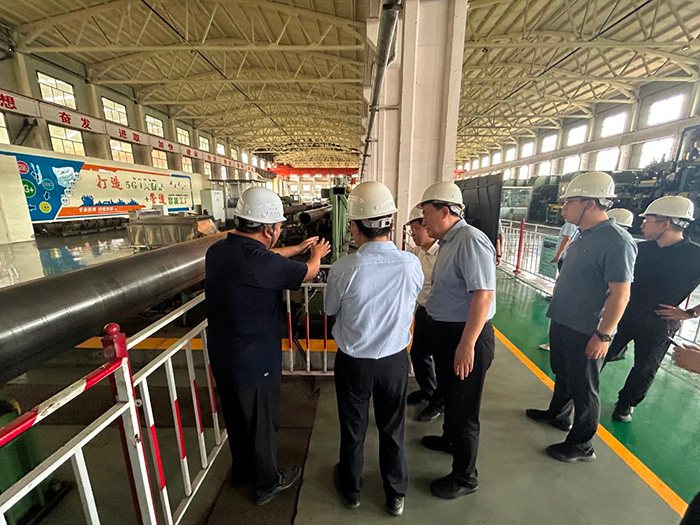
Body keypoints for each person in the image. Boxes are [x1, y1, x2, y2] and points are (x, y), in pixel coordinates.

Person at [205, 186, 330, 505]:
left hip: (222, 355)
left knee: (237, 419)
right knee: (262, 424)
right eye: (277, 227)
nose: (278, 232)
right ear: (267, 229)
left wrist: (297, 247)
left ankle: (242, 471)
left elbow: (266, 258)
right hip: (255, 360)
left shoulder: (217, 251)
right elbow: (309, 272)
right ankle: (266, 484)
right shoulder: (259, 262)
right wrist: (315, 255)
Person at [325, 181, 422, 517]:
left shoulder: (345, 268)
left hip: (354, 362)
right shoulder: (411, 264)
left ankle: (351, 489)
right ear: (390, 222)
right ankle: (395, 495)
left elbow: (330, 308)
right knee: (393, 429)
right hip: (394, 362)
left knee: (353, 428)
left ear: (354, 226)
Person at [526, 171, 637, 462]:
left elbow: (620, 294)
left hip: (586, 329)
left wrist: (603, 335)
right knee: (563, 374)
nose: (563, 208)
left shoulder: (618, 242)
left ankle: (582, 445)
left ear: (590, 203)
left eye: (569, 202)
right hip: (564, 320)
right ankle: (558, 415)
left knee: (585, 389)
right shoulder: (582, 234)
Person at [418, 181, 497, 500]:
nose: (423, 221)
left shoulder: (470, 240)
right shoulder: (449, 241)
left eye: (426, 213)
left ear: (445, 211)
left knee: (464, 410)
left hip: (465, 336)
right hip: (449, 333)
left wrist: (467, 345)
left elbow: (483, 295)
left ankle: (465, 477)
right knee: (452, 397)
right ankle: (449, 440)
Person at [603, 196, 700, 422]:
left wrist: (690, 313)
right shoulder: (638, 249)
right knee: (600, 353)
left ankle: (626, 404)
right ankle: (579, 392)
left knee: (645, 368)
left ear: (665, 224)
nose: (643, 224)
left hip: (659, 323)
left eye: (648, 220)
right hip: (624, 315)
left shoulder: (695, 256)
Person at [405, 205, 443, 422]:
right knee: (419, 355)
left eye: (415, 230)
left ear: (427, 227)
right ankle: (428, 391)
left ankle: (439, 403)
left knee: (442, 362)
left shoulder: (443, 254)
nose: (413, 235)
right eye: (411, 231)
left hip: (440, 317)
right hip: (423, 312)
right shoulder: (417, 252)